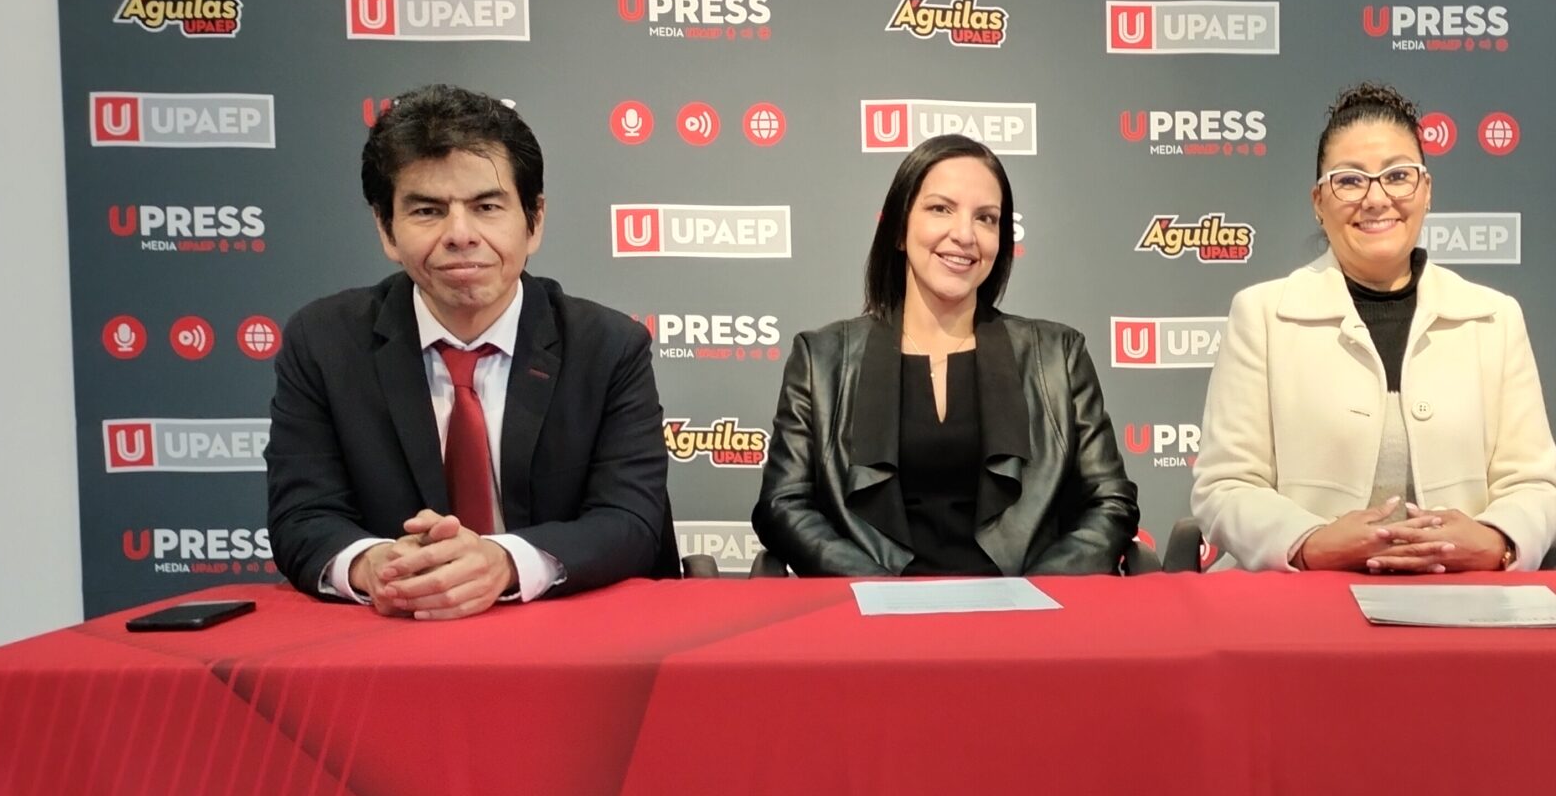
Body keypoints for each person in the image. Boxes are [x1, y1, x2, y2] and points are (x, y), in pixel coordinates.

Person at [267, 85, 677, 617]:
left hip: (573, 637)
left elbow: (631, 521)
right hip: (398, 640)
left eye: (487, 206)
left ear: (534, 220)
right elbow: (302, 516)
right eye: (427, 211)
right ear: (386, 230)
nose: (460, 235)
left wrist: (502, 563)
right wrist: (376, 567)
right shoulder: (323, 342)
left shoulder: (608, 346)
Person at [1191, 83, 1556, 572]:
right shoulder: (1261, 315)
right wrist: (1312, 543)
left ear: (1426, 192)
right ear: (1318, 201)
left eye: (1398, 176)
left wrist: (1497, 541)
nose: (1376, 198)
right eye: (1350, 180)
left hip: (1464, 603)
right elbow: (1226, 485)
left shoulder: (1493, 317)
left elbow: (1535, 486)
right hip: (1300, 606)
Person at [753, 134, 1137, 575]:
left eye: (986, 218)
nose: (964, 235)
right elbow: (784, 504)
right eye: (941, 209)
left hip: (1025, 622)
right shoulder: (821, 360)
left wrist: (1036, 596)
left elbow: (1110, 502)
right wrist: (873, 590)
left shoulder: (1058, 357)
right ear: (899, 228)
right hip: (872, 622)